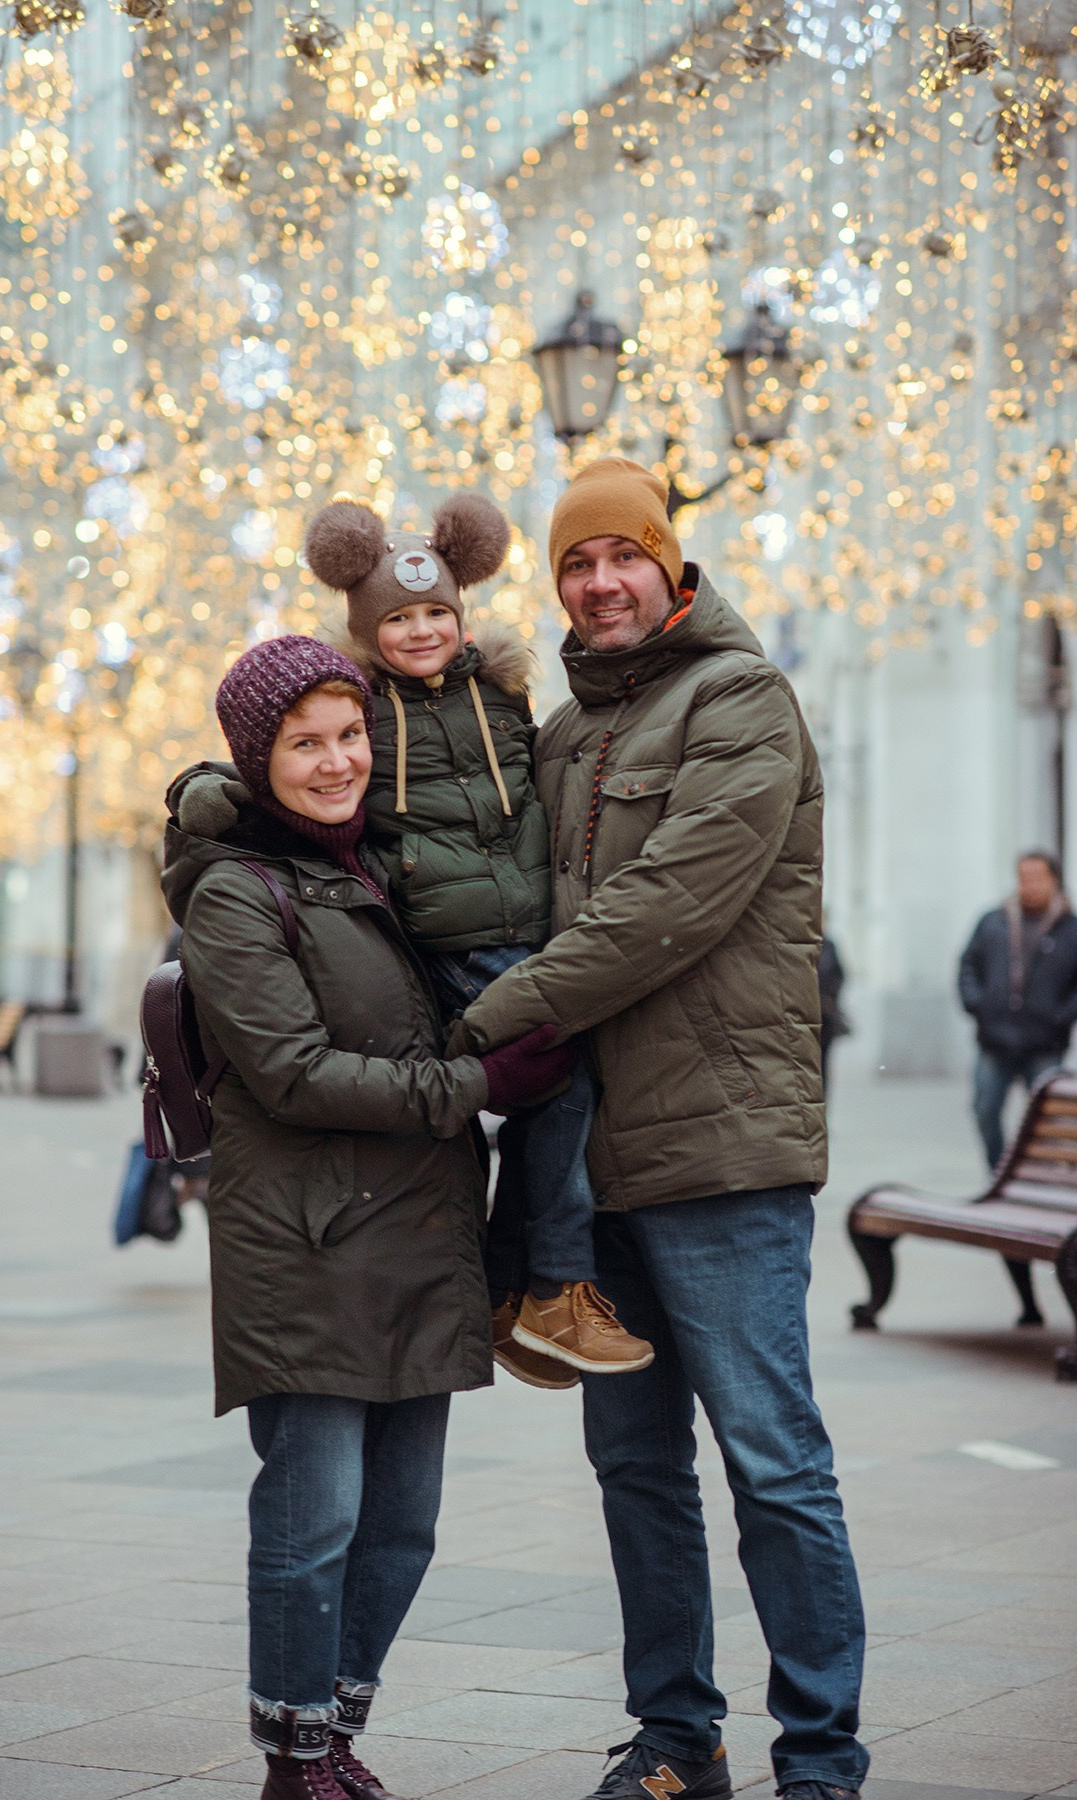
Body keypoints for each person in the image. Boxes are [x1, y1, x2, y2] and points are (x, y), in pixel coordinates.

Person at [448, 458, 867, 1800]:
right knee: (635, 1466)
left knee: (772, 1460)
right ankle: (676, 1739)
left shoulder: (741, 701)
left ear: (669, 570)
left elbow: (661, 913)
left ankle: (822, 1759)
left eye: (621, 557)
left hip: (721, 1147)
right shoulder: (566, 735)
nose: (599, 582)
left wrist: (485, 1021)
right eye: (575, 565)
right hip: (592, 1162)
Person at [161, 635, 573, 1800]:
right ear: (260, 757)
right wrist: (475, 1089)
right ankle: (294, 1761)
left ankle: (334, 1731)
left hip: (420, 1235)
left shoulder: (387, 868)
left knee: (402, 1526)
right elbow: (291, 1070)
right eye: (305, 743)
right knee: (315, 1521)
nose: (336, 761)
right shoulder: (236, 891)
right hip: (307, 1243)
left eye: (351, 735)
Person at [301, 490, 652, 1386]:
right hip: (448, 939)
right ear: (364, 623)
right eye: (399, 617)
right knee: (559, 1082)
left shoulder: (502, 695)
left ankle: (515, 1295)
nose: (420, 631)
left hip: (524, 927)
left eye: (435, 613)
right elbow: (289, 761)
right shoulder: (359, 706)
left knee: (553, 1096)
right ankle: (552, 1286)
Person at [958, 849, 1077, 1169]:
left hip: (1045, 1043)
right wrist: (977, 1004)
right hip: (995, 1040)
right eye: (1025, 877)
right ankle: (999, 1174)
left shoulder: (1070, 928)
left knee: (1048, 1121)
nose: (1031, 885)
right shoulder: (993, 921)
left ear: (1054, 880)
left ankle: (1040, 1179)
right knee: (985, 1109)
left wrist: (1062, 1017)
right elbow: (968, 965)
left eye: (1038, 877)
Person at [818, 931, 848, 1098]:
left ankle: (822, 1107)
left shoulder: (829, 945)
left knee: (823, 1064)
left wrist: (830, 998)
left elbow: (840, 975)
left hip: (826, 1017)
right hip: (803, 1015)